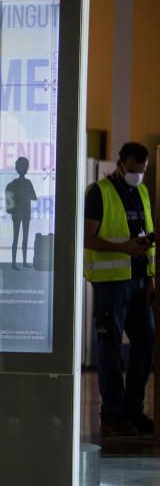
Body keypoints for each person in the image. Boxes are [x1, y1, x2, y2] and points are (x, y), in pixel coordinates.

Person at [84, 141, 155, 437]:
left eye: (143, 171)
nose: (138, 176)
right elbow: (87, 237)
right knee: (110, 349)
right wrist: (124, 248)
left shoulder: (142, 191)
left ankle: (133, 409)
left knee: (146, 342)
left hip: (139, 281)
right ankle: (111, 413)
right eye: (134, 170)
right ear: (121, 164)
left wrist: (150, 277)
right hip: (110, 284)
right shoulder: (98, 192)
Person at [5, 157, 38, 270]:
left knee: (19, 237)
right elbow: (34, 197)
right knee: (21, 237)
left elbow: (34, 197)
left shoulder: (14, 184)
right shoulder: (25, 183)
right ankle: (17, 262)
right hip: (22, 213)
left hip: (21, 213)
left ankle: (18, 262)